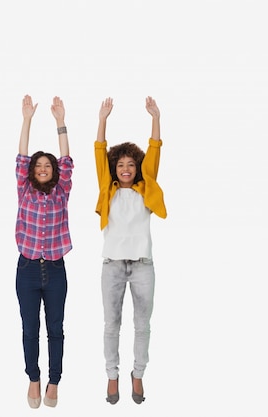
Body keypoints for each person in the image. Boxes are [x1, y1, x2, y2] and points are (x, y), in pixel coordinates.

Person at [94, 96, 167, 405]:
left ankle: (137, 374)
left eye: (130, 164)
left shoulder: (145, 187)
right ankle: (112, 376)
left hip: (142, 266)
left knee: (142, 324)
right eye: (120, 164)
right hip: (112, 265)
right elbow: (98, 151)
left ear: (137, 167)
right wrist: (102, 119)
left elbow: (154, 150)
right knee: (112, 325)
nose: (125, 168)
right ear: (114, 168)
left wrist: (155, 118)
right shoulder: (107, 188)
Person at [15, 95, 73, 408]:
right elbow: (21, 157)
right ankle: (33, 379)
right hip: (26, 269)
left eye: (46, 165)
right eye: (37, 166)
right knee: (29, 329)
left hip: (55, 270)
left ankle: (54, 382)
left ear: (53, 172)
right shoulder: (24, 189)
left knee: (55, 329)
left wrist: (60, 122)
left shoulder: (62, 191)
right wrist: (27, 119)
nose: (41, 168)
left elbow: (67, 160)